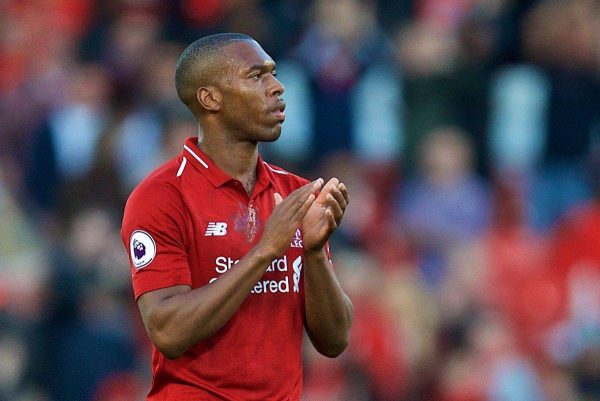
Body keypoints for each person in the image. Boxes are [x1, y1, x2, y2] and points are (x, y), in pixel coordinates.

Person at [120, 33, 353, 401]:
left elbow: (335, 341)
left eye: (273, 74)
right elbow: (168, 332)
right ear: (210, 98)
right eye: (256, 76)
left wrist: (313, 254)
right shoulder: (161, 198)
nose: (277, 87)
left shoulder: (294, 192)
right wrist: (264, 252)